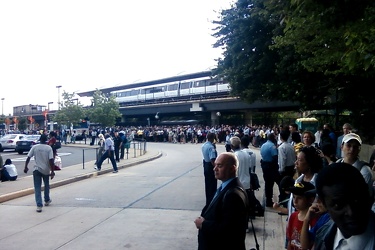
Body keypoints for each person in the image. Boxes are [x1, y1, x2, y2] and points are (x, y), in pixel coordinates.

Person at [194, 152, 249, 250]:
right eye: (215, 165)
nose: (214, 169)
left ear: (232, 168)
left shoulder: (233, 194)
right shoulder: (226, 187)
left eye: (219, 166)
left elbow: (228, 230)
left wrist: (203, 224)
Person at [314, 162, 375, 249]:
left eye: (356, 200)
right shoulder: (322, 235)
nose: (351, 212)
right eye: (338, 205)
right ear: (324, 205)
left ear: (368, 194)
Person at [24, 134, 55, 213]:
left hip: (36, 169)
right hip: (46, 170)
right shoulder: (48, 148)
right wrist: (52, 171)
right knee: (46, 185)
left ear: (40, 139)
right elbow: (51, 160)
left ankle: (39, 205)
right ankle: (47, 200)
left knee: (37, 188)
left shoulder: (35, 147)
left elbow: (28, 157)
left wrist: (26, 167)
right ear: (46, 140)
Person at [337, 133, 374, 198]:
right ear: (342, 147)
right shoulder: (336, 165)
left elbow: (365, 196)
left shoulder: (365, 171)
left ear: (359, 149)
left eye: (355, 147)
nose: (352, 149)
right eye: (348, 145)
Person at [285, 180, 318, 250]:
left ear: (311, 199)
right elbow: (289, 241)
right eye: (294, 197)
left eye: (299, 198)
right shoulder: (293, 216)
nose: (295, 201)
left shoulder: (315, 220)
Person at [260, 133, 279, 207]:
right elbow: (275, 157)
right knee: (272, 183)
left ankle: (268, 199)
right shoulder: (272, 146)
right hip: (271, 166)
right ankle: (269, 200)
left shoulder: (263, 145)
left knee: (267, 183)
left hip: (264, 165)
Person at [201, 132, 218, 208]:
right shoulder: (211, 147)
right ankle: (212, 201)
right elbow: (212, 159)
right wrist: (216, 168)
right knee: (212, 185)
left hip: (205, 165)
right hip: (210, 166)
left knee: (207, 184)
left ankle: (208, 200)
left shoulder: (204, 145)